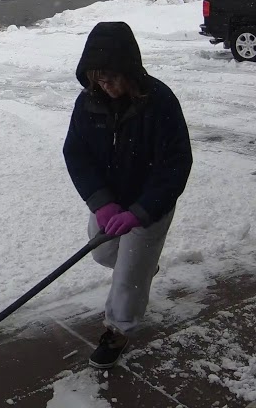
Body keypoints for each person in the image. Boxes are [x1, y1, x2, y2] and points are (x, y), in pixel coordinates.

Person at [62, 22, 193, 369]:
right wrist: (100, 201)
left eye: (112, 76)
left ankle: (118, 330)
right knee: (105, 253)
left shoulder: (159, 103)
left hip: (150, 205)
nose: (105, 84)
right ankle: (142, 267)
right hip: (111, 202)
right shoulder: (88, 104)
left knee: (129, 275)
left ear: (129, 69)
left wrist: (141, 211)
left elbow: (176, 164)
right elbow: (76, 152)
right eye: (98, 78)